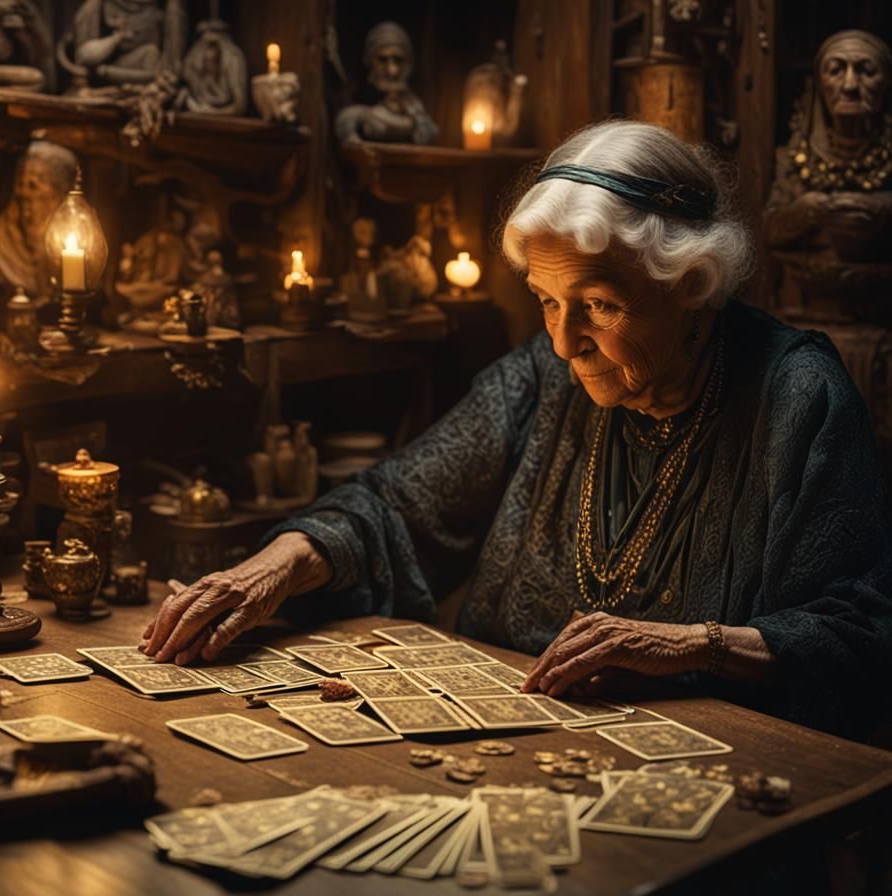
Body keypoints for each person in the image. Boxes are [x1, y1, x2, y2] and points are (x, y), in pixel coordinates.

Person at [140, 120, 892, 740]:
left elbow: (862, 638)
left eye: (599, 305)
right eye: (546, 300)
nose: (565, 343)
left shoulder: (796, 396)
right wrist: (271, 568)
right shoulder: (541, 375)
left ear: (690, 287)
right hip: (510, 748)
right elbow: (396, 502)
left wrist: (698, 644)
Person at [765, 30, 892, 262]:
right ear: (820, 86)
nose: (850, 85)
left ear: (886, 84)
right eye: (835, 71)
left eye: (867, 71)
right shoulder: (796, 156)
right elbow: (770, 232)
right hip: (806, 291)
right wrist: (805, 211)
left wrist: (882, 208)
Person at [0, 140, 78, 298]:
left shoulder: (75, 243)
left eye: (34, 186)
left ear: (58, 195)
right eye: (21, 185)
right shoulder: (4, 239)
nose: (24, 195)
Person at [335, 21, 438, 145]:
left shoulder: (411, 104)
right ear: (369, 59)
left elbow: (428, 133)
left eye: (398, 60)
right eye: (383, 60)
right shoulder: (354, 98)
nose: (392, 71)